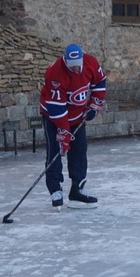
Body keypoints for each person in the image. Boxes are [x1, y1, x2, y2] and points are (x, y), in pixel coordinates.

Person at [39, 44, 107, 209]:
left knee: (79, 151)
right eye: (72, 66)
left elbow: (99, 83)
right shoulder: (55, 73)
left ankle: (77, 189)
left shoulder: (91, 62)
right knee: (55, 151)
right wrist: (64, 132)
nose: (76, 69)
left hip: (78, 116)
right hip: (54, 118)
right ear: (66, 61)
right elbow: (56, 107)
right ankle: (55, 190)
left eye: (78, 65)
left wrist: (94, 105)